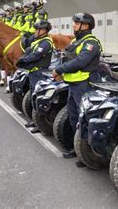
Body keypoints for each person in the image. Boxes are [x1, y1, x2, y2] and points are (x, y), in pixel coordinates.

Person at [52, 13, 102, 162]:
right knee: (74, 117)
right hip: (73, 85)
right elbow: (66, 58)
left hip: (85, 85)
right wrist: (61, 71)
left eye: (76, 23)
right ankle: (78, 148)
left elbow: (80, 62)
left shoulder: (91, 43)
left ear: (85, 25)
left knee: (85, 119)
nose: (73, 25)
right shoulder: (76, 42)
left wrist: (60, 70)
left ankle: (87, 153)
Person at [16, 20, 54, 133]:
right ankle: (35, 120)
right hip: (34, 73)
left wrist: (22, 60)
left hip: (40, 73)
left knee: (39, 99)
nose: (35, 31)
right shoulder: (38, 41)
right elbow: (28, 51)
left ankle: (41, 124)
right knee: (33, 96)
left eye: (37, 29)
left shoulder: (46, 43)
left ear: (43, 31)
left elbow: (35, 55)